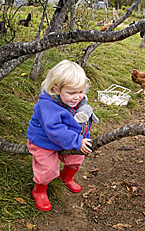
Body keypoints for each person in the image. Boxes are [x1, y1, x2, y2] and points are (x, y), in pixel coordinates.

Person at [26, 60, 98, 211]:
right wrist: (77, 140)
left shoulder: (75, 101)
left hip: (68, 138)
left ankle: (66, 177)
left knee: (76, 158)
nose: (77, 97)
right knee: (47, 168)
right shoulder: (47, 106)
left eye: (80, 92)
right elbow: (54, 130)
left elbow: (81, 116)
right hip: (44, 140)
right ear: (56, 89)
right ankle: (39, 190)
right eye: (72, 93)